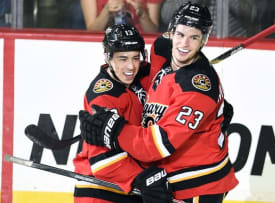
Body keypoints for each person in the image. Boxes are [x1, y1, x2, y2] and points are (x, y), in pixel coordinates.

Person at [79, 2, 238, 202]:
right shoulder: (162, 50)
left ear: (203, 40)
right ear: (170, 33)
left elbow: (157, 144)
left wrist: (115, 130)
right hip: (168, 175)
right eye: (180, 35)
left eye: (194, 37)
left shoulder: (196, 88)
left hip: (198, 182)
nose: (184, 44)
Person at [73, 24, 172, 203]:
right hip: (100, 191)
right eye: (122, 59)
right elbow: (103, 163)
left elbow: (168, 73)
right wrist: (143, 178)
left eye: (135, 58)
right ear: (108, 57)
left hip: (130, 190)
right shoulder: (103, 96)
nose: (130, 66)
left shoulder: (141, 75)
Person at [80, 0, 162, 32]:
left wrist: (142, 14)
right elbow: (91, 31)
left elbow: (153, 32)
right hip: (103, 45)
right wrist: (106, 11)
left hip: (139, 45)